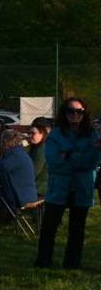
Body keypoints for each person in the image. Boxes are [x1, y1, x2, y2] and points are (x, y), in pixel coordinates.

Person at [35, 98, 100, 269]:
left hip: (82, 188)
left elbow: (93, 161)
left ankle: (72, 264)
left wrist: (69, 155)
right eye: (71, 111)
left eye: (79, 111)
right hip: (59, 187)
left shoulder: (92, 135)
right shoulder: (55, 135)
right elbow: (54, 163)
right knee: (49, 227)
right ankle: (43, 261)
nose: (75, 114)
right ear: (64, 113)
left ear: (84, 113)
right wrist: (81, 159)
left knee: (77, 229)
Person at [27, 116, 51, 196]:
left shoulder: (42, 149)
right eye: (29, 133)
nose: (29, 136)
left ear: (43, 133)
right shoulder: (38, 147)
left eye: (33, 133)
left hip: (40, 189)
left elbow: (32, 173)